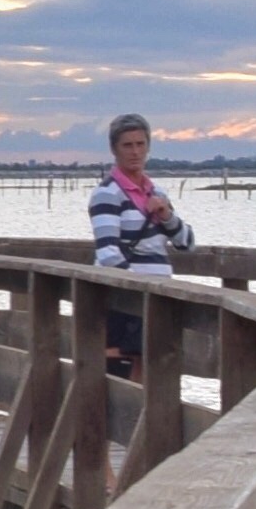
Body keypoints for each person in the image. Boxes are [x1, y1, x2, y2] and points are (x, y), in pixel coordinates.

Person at [87, 111, 195, 371]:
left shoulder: (157, 192)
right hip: (125, 298)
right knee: (123, 371)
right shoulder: (107, 194)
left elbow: (187, 242)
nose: (135, 152)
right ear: (115, 150)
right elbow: (108, 253)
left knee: (155, 368)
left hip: (159, 296)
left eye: (140, 144)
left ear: (148, 147)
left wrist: (166, 215)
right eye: (127, 145)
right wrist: (142, 290)